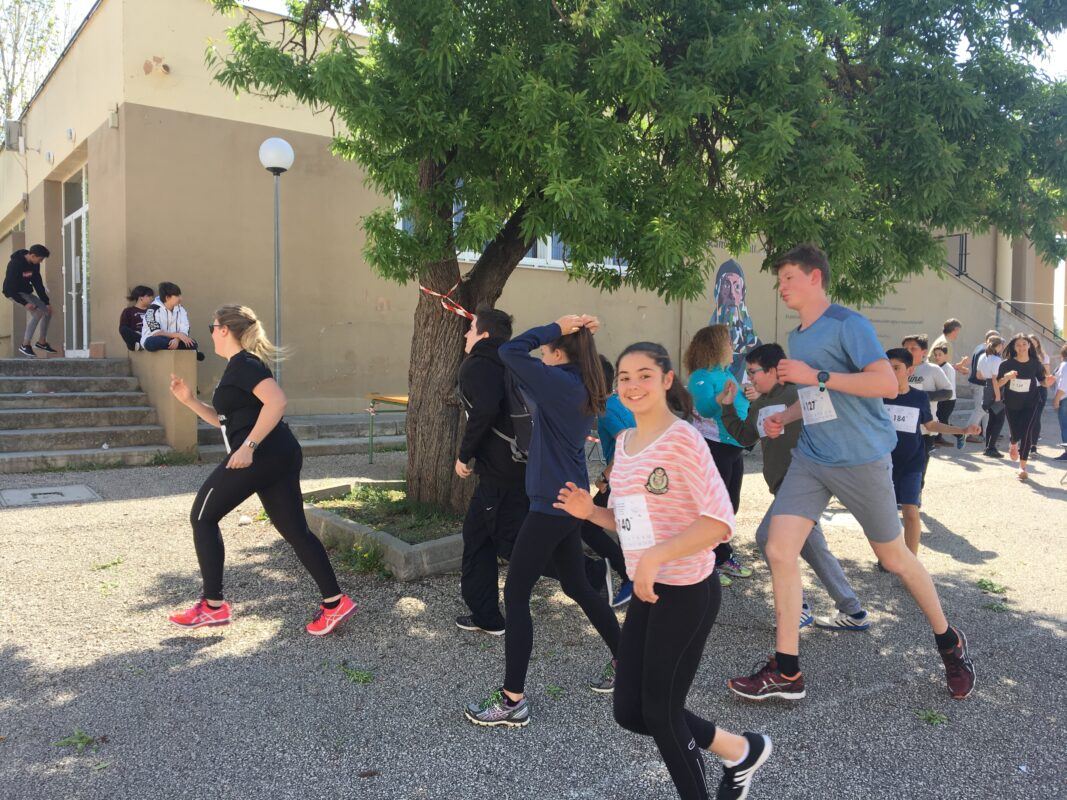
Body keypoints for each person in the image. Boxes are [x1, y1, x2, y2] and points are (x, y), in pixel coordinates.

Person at [727, 244, 975, 703]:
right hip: (813, 458)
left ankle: (949, 642)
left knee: (895, 558)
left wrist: (817, 375)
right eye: (779, 280)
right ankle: (787, 670)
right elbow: (818, 398)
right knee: (778, 547)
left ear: (815, 277)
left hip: (862, 459)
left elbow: (885, 383)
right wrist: (787, 414)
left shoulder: (849, 324)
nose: (781, 287)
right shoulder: (798, 336)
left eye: (789, 278)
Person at [555, 341, 773, 800]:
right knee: (630, 711)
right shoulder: (624, 444)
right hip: (649, 589)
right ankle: (740, 750)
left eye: (644, 376)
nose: (632, 385)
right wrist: (590, 512)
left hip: (687, 589)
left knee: (660, 711)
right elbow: (629, 520)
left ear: (667, 380)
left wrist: (655, 557)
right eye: (625, 378)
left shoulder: (683, 439)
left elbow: (719, 522)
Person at [465, 315, 622, 728]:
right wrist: (560, 333)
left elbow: (510, 350)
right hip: (565, 498)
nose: (542, 356)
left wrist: (555, 325)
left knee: (516, 593)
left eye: (548, 350)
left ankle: (512, 699)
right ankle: (627, 659)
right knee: (576, 585)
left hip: (553, 503)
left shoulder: (562, 383)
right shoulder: (577, 381)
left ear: (558, 353)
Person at [166, 304, 355, 634]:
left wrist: (248, 447)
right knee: (295, 530)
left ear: (225, 330)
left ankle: (213, 606)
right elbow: (226, 422)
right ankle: (335, 603)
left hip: (264, 455)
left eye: (212, 327)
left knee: (203, 517)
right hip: (277, 454)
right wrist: (189, 401)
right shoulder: (237, 367)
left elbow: (277, 401)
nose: (210, 333)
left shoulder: (246, 364)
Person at [719, 343, 872, 631]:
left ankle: (796, 607)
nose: (749, 378)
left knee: (767, 537)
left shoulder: (802, 394)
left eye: (753, 372)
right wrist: (727, 407)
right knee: (813, 547)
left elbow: (834, 426)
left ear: (773, 370)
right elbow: (745, 436)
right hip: (782, 485)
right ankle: (853, 611)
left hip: (804, 484)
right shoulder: (760, 403)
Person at [884, 348, 980, 554]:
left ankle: (911, 561)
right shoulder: (878, 397)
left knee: (911, 512)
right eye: (887, 368)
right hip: (883, 464)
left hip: (911, 462)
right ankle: (888, 557)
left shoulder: (919, 397)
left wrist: (961, 430)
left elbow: (930, 424)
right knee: (886, 515)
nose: (891, 372)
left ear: (909, 370)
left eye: (896, 368)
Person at [684, 325, 754, 586]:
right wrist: (722, 396)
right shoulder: (700, 376)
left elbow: (739, 403)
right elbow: (705, 408)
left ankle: (720, 555)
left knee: (730, 506)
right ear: (715, 346)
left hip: (733, 447)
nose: (732, 347)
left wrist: (750, 395)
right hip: (714, 447)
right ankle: (708, 560)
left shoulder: (725, 373)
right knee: (712, 508)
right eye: (728, 342)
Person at [587, 354, 635, 607]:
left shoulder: (605, 410)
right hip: (635, 474)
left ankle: (628, 576)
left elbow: (627, 442)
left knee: (588, 524)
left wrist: (605, 476)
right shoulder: (619, 400)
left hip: (623, 476)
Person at [995, 334, 1051, 481]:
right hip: (1012, 403)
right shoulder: (1006, 364)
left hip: (1031, 402)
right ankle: (1013, 442)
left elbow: (1042, 381)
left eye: (1024, 344)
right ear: (1014, 347)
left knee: (1026, 432)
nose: (1021, 347)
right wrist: (1007, 377)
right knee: (1016, 432)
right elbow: (998, 383)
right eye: (1018, 345)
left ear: (1029, 345)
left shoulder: (1035, 363)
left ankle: (1022, 467)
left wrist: (1048, 382)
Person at [901, 334, 953, 483]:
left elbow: (948, 392)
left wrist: (922, 396)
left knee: (919, 467)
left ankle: (916, 493)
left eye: (913, 348)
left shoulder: (932, 369)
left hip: (925, 428)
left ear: (924, 351)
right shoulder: (898, 368)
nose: (908, 351)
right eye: (905, 348)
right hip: (900, 425)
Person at [709, 259, 762, 381]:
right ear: (717, 290)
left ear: (743, 293)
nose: (732, 294)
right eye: (726, 285)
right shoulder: (707, 340)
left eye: (737, 286)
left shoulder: (753, 343)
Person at [3, 243, 57, 357]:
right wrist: (25, 303)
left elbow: (38, 283)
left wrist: (46, 302)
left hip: (26, 292)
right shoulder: (15, 264)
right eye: (40, 259)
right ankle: (25, 345)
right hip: (13, 293)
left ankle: (41, 342)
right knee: (37, 313)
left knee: (47, 311)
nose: (41, 262)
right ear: (32, 255)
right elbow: (10, 288)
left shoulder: (34, 265)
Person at [141, 282, 206, 361]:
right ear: (167, 297)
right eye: (177, 296)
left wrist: (177, 339)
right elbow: (156, 332)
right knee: (153, 342)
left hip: (174, 340)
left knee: (192, 342)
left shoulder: (181, 309)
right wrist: (177, 335)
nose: (181, 298)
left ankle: (180, 347)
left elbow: (185, 328)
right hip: (155, 339)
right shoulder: (152, 310)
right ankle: (190, 350)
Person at [965, 329, 1000, 443]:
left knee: (985, 410)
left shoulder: (980, 347)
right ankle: (967, 433)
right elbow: (981, 374)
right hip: (980, 384)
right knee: (980, 410)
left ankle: (986, 433)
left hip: (977, 383)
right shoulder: (985, 352)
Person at [978, 336, 1007, 458]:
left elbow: (979, 375)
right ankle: (991, 448)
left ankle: (988, 447)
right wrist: (998, 396)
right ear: (999, 346)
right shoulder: (996, 359)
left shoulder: (982, 357)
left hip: (986, 389)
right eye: (1002, 346)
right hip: (995, 390)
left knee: (991, 420)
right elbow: (995, 379)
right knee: (999, 420)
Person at [929, 345, 964, 448]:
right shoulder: (942, 367)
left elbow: (943, 385)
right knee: (939, 419)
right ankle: (937, 439)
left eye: (940, 355)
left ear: (946, 356)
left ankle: (960, 434)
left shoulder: (946, 368)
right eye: (935, 355)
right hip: (942, 398)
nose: (937, 357)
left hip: (948, 399)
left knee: (942, 421)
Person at [1028, 335, 1051, 455]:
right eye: (1029, 342)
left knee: (1036, 417)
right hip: (1026, 389)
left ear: (1038, 343)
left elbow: (1047, 373)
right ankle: (1024, 443)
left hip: (1040, 389)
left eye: (1034, 342)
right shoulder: (1023, 355)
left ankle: (1033, 446)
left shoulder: (1044, 356)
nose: (1032, 344)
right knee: (1026, 417)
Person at [119, 286, 155, 351]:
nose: (152, 299)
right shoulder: (128, 311)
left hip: (148, 336)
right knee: (123, 329)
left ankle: (141, 345)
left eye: (152, 296)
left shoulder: (152, 311)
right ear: (141, 297)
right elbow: (123, 327)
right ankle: (139, 345)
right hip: (136, 336)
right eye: (149, 296)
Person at [1053, 343, 1067, 462]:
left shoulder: (1065, 365)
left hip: (1065, 399)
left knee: (1065, 426)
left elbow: (1063, 386)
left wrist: (1056, 400)